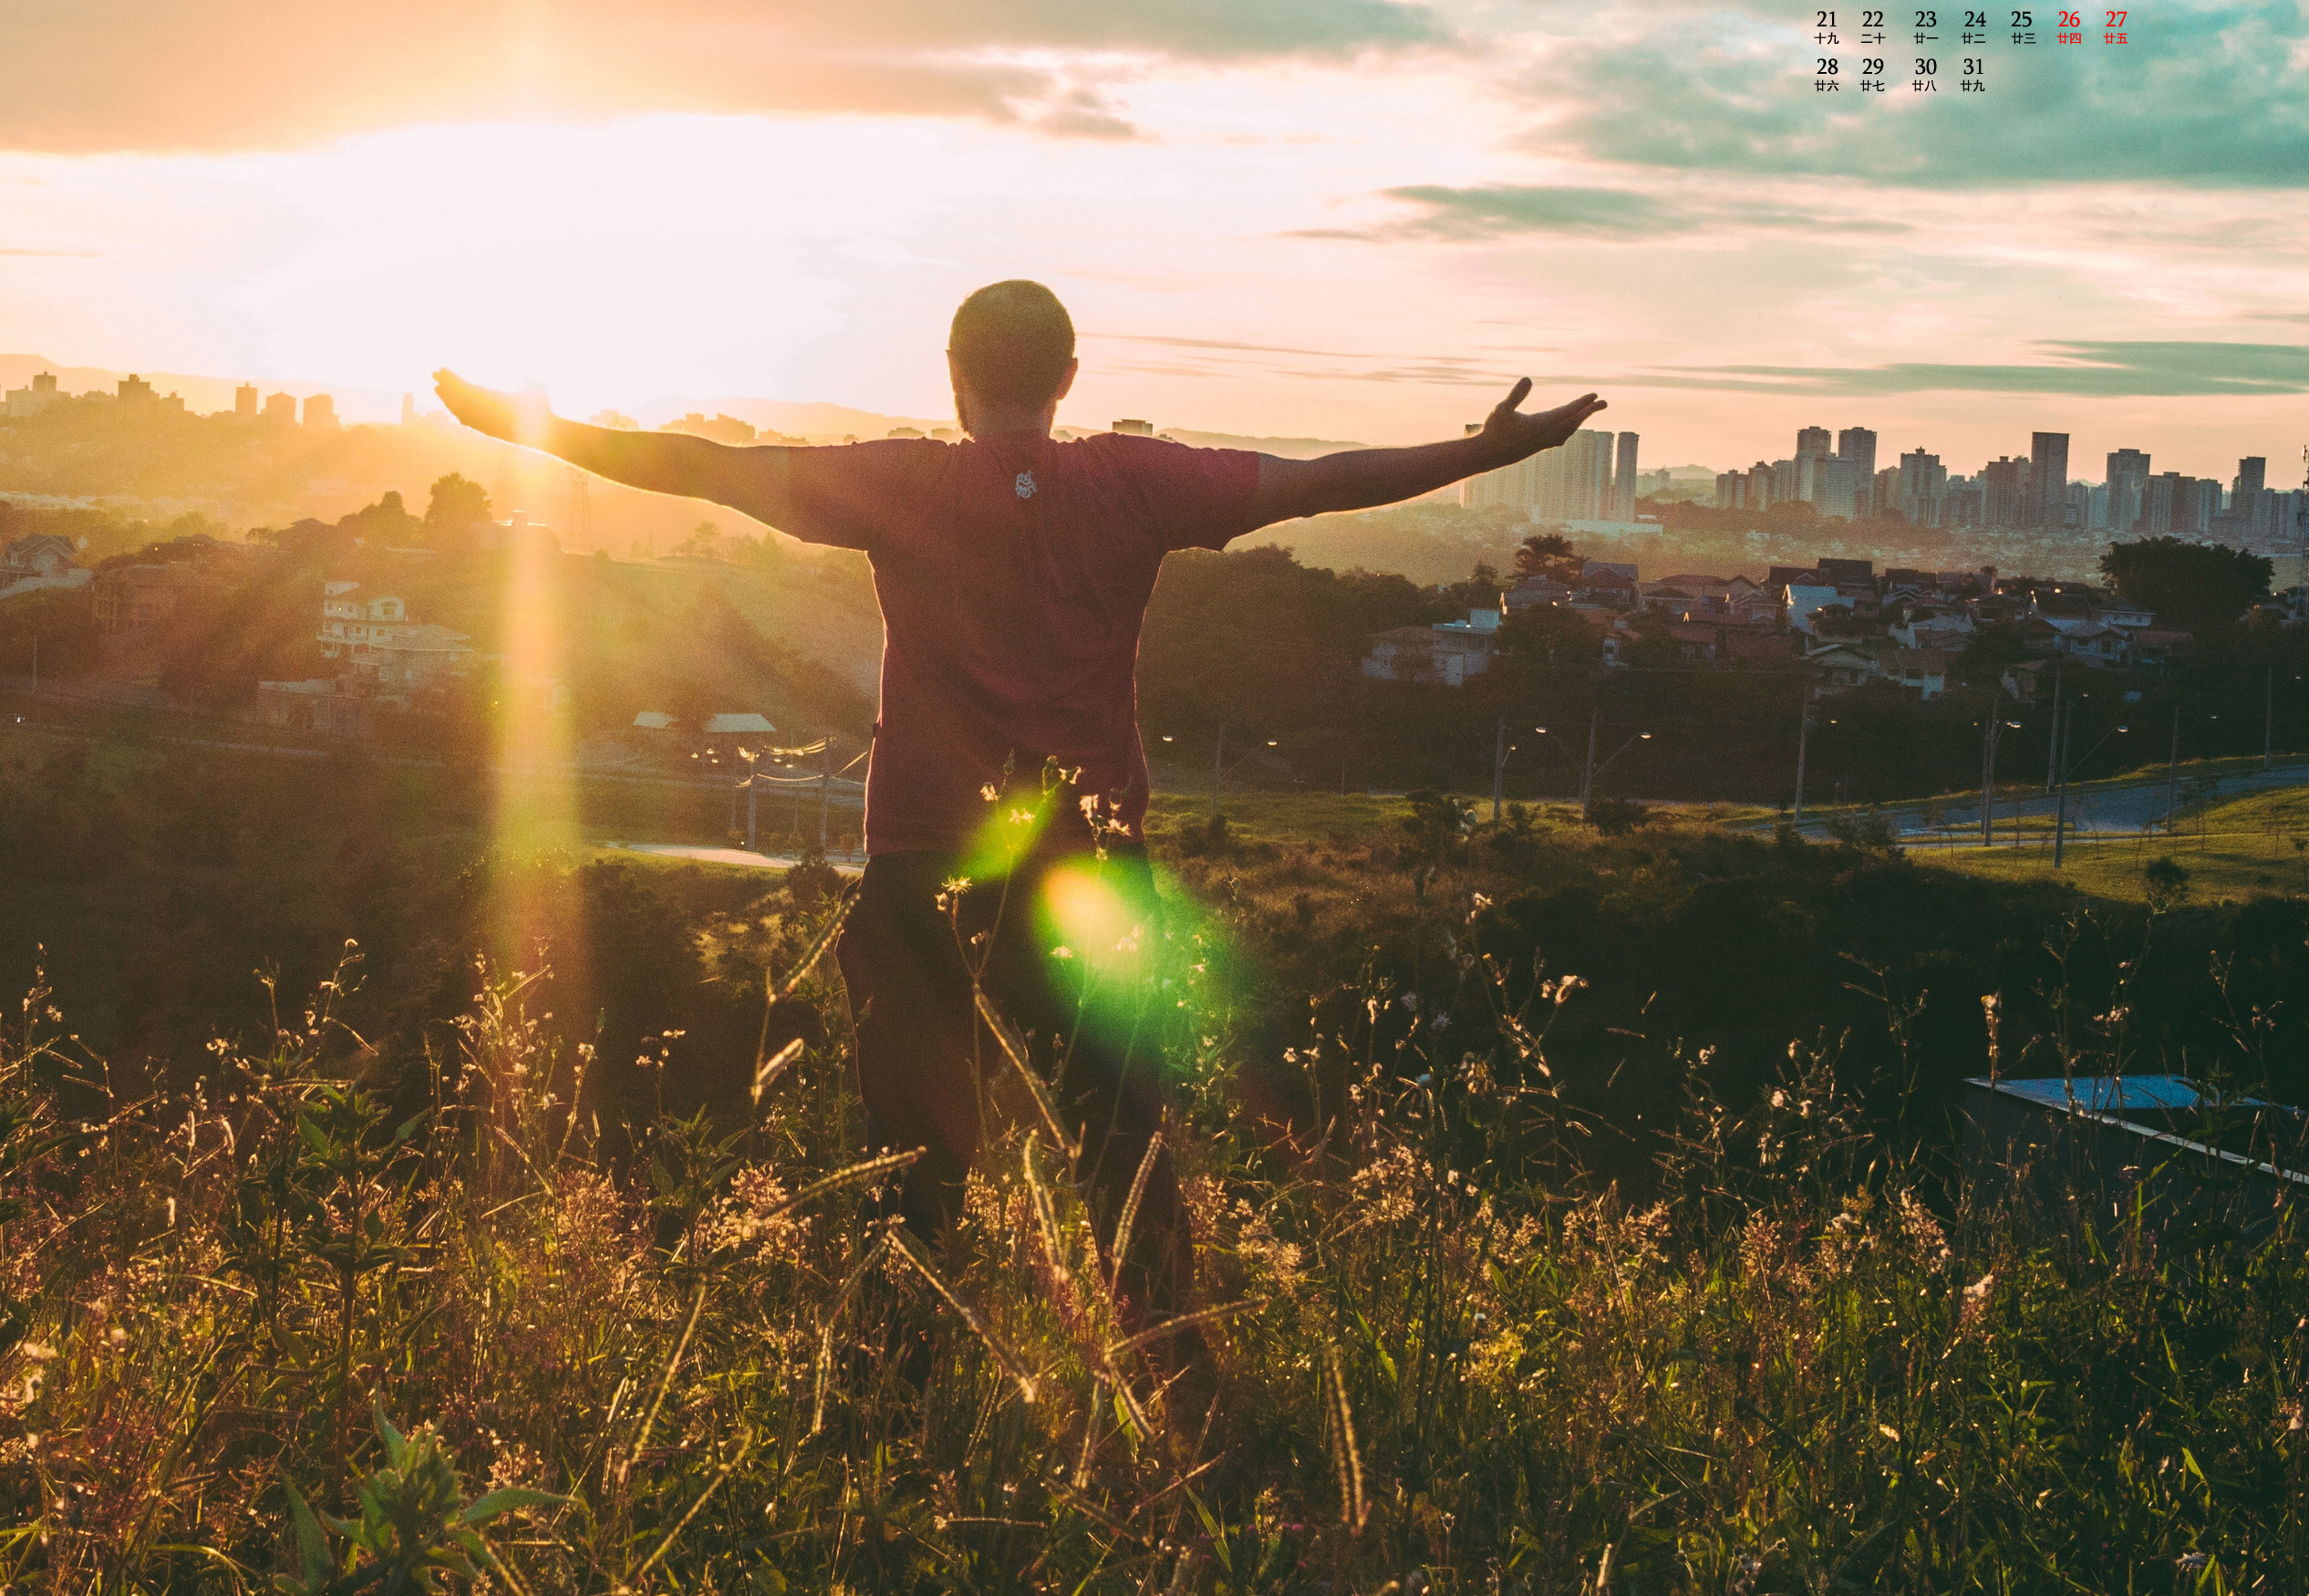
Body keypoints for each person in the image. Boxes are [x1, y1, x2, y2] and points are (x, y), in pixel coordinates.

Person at [433, 279, 1603, 1311]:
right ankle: (1174, 1418)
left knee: (914, 1175)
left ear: (953, 379)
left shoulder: (902, 483)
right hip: (1088, 871)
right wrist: (1485, 452)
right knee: (1124, 1157)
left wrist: (522, 427)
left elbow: (699, 466)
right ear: (1070, 378)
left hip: (923, 873)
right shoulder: (1137, 483)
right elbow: (1319, 485)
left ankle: (905, 1428)